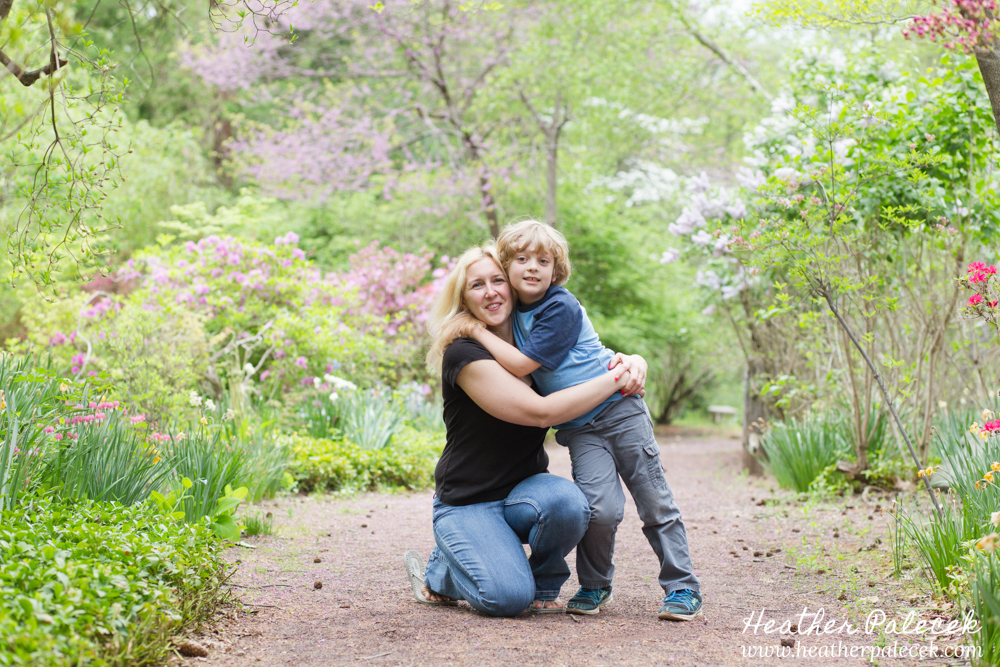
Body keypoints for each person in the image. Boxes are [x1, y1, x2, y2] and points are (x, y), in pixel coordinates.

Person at [463, 219, 702, 621]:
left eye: (543, 260)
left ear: (556, 271)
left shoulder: (560, 305)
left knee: (654, 500)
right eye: (521, 259)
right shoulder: (510, 316)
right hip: (579, 427)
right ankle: (595, 584)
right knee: (599, 509)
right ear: (506, 268)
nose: (533, 267)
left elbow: (523, 364)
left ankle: (682, 587)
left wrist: (472, 330)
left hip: (620, 408)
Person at [403, 244, 647, 617]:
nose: (491, 292)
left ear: (512, 284)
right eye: (477, 285)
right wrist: (618, 379)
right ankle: (444, 571)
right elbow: (540, 413)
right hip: (468, 501)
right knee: (507, 599)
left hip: (524, 491)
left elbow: (587, 361)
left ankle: (543, 585)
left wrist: (631, 360)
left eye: (497, 280)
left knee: (569, 504)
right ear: (464, 299)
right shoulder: (464, 353)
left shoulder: (534, 340)